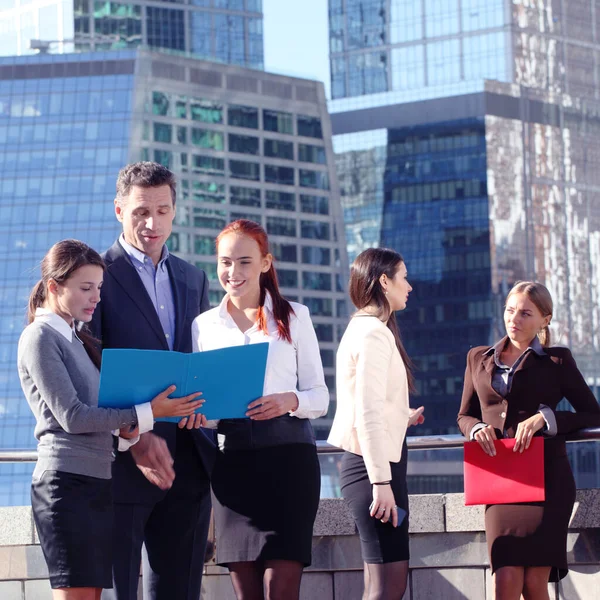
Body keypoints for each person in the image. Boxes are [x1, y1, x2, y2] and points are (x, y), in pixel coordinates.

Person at [17, 239, 202, 600]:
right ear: (54, 287)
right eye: (86, 288)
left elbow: (100, 417)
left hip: (97, 483)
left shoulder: (76, 338)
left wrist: (132, 437)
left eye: (98, 288)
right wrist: (149, 413)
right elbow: (73, 417)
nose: (95, 298)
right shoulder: (40, 337)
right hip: (66, 488)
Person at [89, 162, 216, 600]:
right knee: (119, 590)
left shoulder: (193, 278)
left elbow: (196, 358)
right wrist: (133, 437)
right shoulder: (96, 277)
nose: (152, 223)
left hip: (187, 460)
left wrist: (206, 404)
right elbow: (90, 369)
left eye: (163, 211)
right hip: (121, 463)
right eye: (141, 211)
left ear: (174, 212)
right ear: (119, 209)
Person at [189, 219, 328, 600]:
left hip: (289, 463)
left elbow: (320, 395)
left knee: (279, 589)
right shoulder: (203, 327)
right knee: (248, 594)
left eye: (245, 262)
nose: (233, 273)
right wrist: (200, 413)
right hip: (232, 467)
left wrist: (290, 400)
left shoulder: (294, 316)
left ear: (266, 263)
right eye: (225, 262)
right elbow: (208, 407)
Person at [457, 281, 600, 600]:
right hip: (500, 480)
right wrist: (475, 428)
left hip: (548, 482)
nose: (514, 319)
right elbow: (464, 415)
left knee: (535, 584)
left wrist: (546, 417)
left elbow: (593, 414)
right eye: (510, 310)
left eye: (525, 313)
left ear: (544, 319)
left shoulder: (557, 360)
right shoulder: (478, 357)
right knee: (505, 581)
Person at [327, 247, 424, 600]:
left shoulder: (365, 328)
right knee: (387, 585)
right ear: (385, 281)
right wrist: (380, 481)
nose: (409, 286)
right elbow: (365, 412)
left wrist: (403, 415)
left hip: (372, 466)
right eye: (403, 277)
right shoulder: (373, 333)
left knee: (381, 583)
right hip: (374, 472)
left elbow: (367, 405)